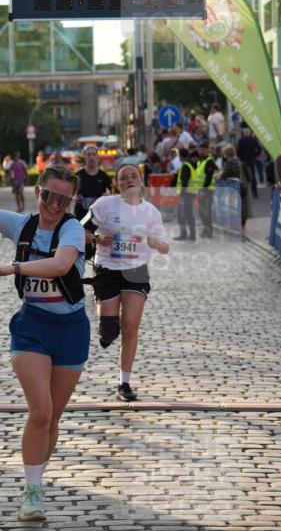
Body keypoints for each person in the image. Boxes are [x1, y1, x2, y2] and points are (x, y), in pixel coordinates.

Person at [0, 123, 89, 522]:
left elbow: (60, 265)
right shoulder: (22, 225)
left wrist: (11, 267)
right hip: (32, 327)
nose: (55, 204)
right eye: (50, 195)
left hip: (71, 331)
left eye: (63, 200)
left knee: (52, 417)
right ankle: (32, 493)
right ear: (38, 192)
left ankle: (37, 477)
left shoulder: (72, 229)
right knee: (39, 411)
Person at [90, 164, 170, 401]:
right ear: (118, 184)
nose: (129, 180)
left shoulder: (151, 213)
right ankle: (106, 329)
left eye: (133, 176)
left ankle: (124, 383)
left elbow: (166, 247)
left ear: (141, 180)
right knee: (109, 331)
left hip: (136, 272)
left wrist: (156, 243)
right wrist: (96, 237)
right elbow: (78, 228)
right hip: (106, 270)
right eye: (123, 178)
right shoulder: (103, 205)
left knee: (131, 326)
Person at [74, 144, 112, 261]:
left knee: (94, 238)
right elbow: (70, 191)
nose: (91, 157)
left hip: (97, 214)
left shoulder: (104, 176)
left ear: (97, 157)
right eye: (88, 154)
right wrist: (75, 197)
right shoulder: (78, 175)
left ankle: (96, 259)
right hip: (81, 211)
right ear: (84, 157)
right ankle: (82, 260)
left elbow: (112, 193)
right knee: (82, 236)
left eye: (93, 155)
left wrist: (107, 197)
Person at [172, 148, 197, 241]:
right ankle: (191, 234)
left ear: (180, 156)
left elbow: (184, 182)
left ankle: (185, 234)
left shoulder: (186, 165)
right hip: (189, 193)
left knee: (182, 214)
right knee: (188, 214)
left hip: (186, 194)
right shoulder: (190, 164)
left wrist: (182, 194)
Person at [196, 141, 217, 238]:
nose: (201, 152)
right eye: (200, 150)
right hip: (200, 190)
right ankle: (205, 229)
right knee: (201, 211)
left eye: (203, 150)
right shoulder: (200, 161)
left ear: (207, 150)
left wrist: (203, 190)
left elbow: (208, 177)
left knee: (206, 211)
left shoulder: (209, 161)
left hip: (207, 190)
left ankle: (209, 231)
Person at [236, 126, 262, 199]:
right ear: (249, 133)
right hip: (251, 160)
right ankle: (255, 192)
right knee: (253, 176)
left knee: (243, 177)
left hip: (243, 161)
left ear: (244, 133)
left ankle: (245, 192)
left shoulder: (241, 141)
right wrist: (255, 155)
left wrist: (240, 157)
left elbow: (238, 151)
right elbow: (259, 149)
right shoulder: (253, 140)